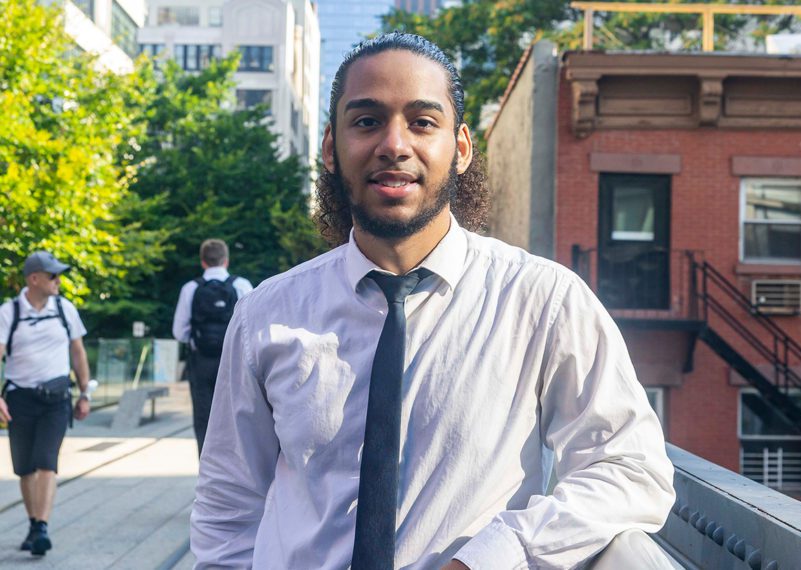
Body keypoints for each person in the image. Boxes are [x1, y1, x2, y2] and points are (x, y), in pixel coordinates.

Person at [190, 33, 675, 569]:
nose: (394, 145)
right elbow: (227, 506)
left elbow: (631, 468)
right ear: (331, 147)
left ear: (461, 147)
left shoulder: (544, 302)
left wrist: (492, 557)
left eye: (422, 122)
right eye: (367, 121)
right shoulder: (266, 314)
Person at [0, 251, 91, 556]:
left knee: (45, 461)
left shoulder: (65, 310)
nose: (58, 280)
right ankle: (33, 522)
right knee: (24, 467)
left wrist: (84, 393)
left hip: (56, 398)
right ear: (34, 279)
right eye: (52, 275)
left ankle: (42, 526)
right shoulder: (9, 313)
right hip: (20, 399)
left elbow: (77, 352)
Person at [172, 238, 252, 455]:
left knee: (203, 416)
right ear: (226, 261)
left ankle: (207, 468)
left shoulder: (190, 288)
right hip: (234, 362)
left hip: (201, 362)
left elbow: (179, 332)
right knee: (237, 416)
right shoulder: (241, 285)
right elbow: (252, 327)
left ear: (203, 262)